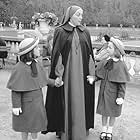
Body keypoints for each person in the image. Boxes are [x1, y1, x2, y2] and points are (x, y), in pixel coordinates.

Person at [43, 5, 95, 140]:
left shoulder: (86, 32)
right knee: (64, 99)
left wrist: (92, 73)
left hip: (82, 75)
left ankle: (80, 129)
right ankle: (64, 130)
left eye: (82, 14)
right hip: (67, 76)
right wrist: (59, 75)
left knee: (82, 99)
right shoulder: (60, 31)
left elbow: (90, 55)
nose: (81, 17)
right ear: (70, 15)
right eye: (78, 14)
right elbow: (58, 55)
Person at [7, 37, 59, 140]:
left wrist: (55, 83)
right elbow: (16, 90)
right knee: (25, 126)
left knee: (35, 127)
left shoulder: (37, 64)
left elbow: (43, 79)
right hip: (25, 105)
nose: (39, 50)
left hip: (37, 104)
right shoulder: (19, 68)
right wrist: (16, 106)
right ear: (29, 52)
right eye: (36, 48)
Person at [95, 37, 130, 140]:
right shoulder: (107, 62)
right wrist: (94, 78)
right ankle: (103, 130)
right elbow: (101, 74)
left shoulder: (121, 65)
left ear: (116, 50)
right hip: (104, 92)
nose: (107, 49)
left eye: (109, 48)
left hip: (114, 94)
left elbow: (122, 84)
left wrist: (121, 96)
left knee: (112, 114)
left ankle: (109, 131)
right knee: (104, 113)